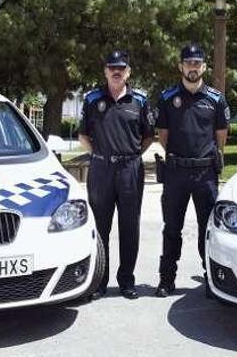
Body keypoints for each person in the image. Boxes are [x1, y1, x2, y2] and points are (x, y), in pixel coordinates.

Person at [154, 44, 229, 297]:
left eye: (197, 63)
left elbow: (221, 136)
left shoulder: (216, 99)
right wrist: (180, 156)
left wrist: (205, 158)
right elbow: (163, 136)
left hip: (205, 174)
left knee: (207, 229)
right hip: (175, 172)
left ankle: (211, 279)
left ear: (204, 67)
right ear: (181, 66)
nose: (193, 67)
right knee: (171, 228)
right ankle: (166, 280)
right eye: (189, 63)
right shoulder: (167, 98)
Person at [79, 50, 153, 299]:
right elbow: (83, 137)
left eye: (121, 67)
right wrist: (101, 155)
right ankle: (99, 282)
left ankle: (127, 281)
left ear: (128, 72)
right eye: (112, 67)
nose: (116, 71)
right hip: (101, 169)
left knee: (129, 226)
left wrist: (129, 156)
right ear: (105, 71)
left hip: (130, 169)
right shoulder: (92, 100)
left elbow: (147, 137)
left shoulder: (140, 101)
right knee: (100, 227)